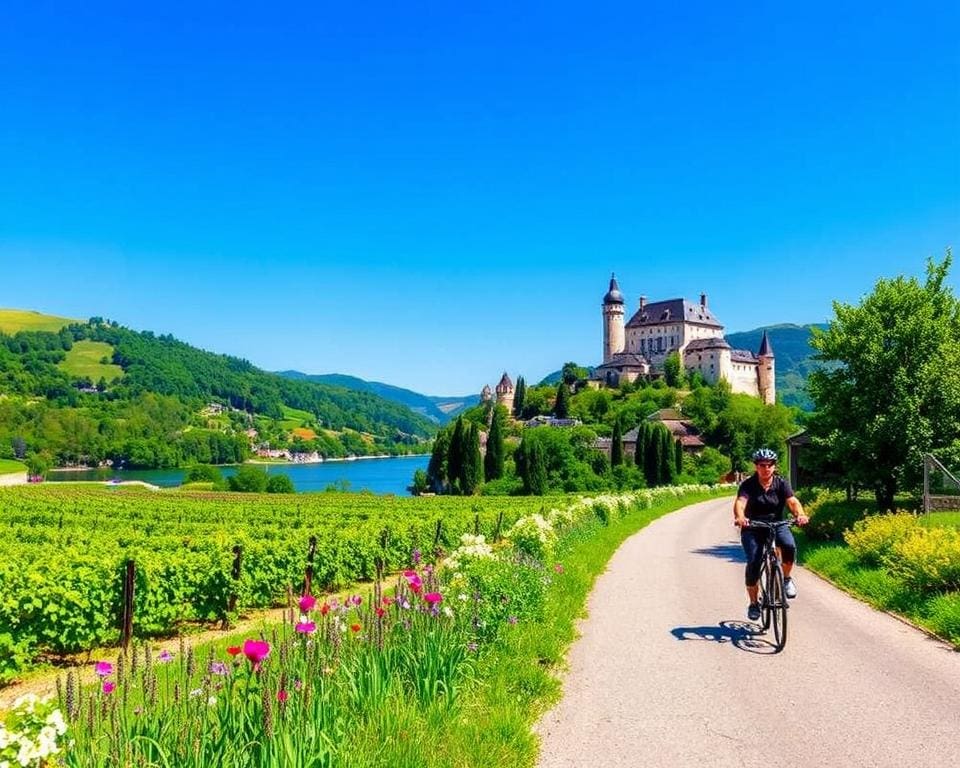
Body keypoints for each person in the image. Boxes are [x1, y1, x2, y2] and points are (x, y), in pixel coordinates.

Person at [733, 448, 809, 621]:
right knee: (754, 561)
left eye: (770, 465)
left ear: (774, 466)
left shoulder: (781, 483)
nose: (766, 468)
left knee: (789, 546)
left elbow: (792, 501)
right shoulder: (748, 485)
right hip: (753, 526)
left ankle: (787, 579)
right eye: (762, 465)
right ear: (756, 466)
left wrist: (800, 514)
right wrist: (740, 517)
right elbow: (740, 502)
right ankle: (753, 603)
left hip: (777, 524)